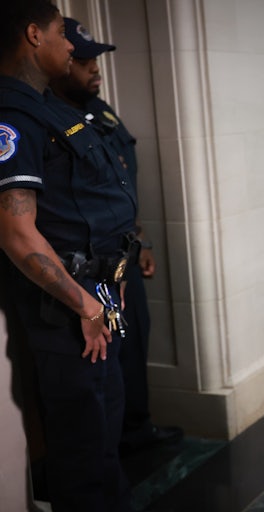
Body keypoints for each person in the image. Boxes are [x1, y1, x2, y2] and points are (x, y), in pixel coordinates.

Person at [0, 1, 137, 510]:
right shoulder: (12, 113)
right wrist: (84, 305)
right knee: (82, 449)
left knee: (104, 438)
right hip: (69, 314)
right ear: (34, 35)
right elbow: (17, 233)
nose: (69, 45)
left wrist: (112, 280)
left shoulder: (48, 104)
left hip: (99, 296)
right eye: (62, 33)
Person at [49, 16, 183, 455]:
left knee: (134, 336)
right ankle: (115, 447)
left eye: (94, 59)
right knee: (105, 355)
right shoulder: (49, 116)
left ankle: (134, 428)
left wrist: (139, 240)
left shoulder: (99, 111)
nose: (93, 68)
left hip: (120, 254)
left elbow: (117, 185)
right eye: (83, 59)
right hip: (87, 265)